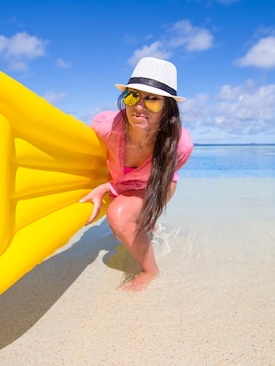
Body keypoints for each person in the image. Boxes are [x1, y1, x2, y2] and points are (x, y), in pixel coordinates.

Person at [80, 57, 193, 292]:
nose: (139, 106)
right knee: (133, 220)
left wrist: (111, 189)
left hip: (157, 184)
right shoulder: (105, 125)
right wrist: (107, 186)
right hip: (124, 184)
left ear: (167, 109)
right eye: (132, 96)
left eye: (152, 100)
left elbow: (164, 175)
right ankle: (146, 224)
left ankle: (150, 271)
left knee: (119, 216)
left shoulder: (180, 145)